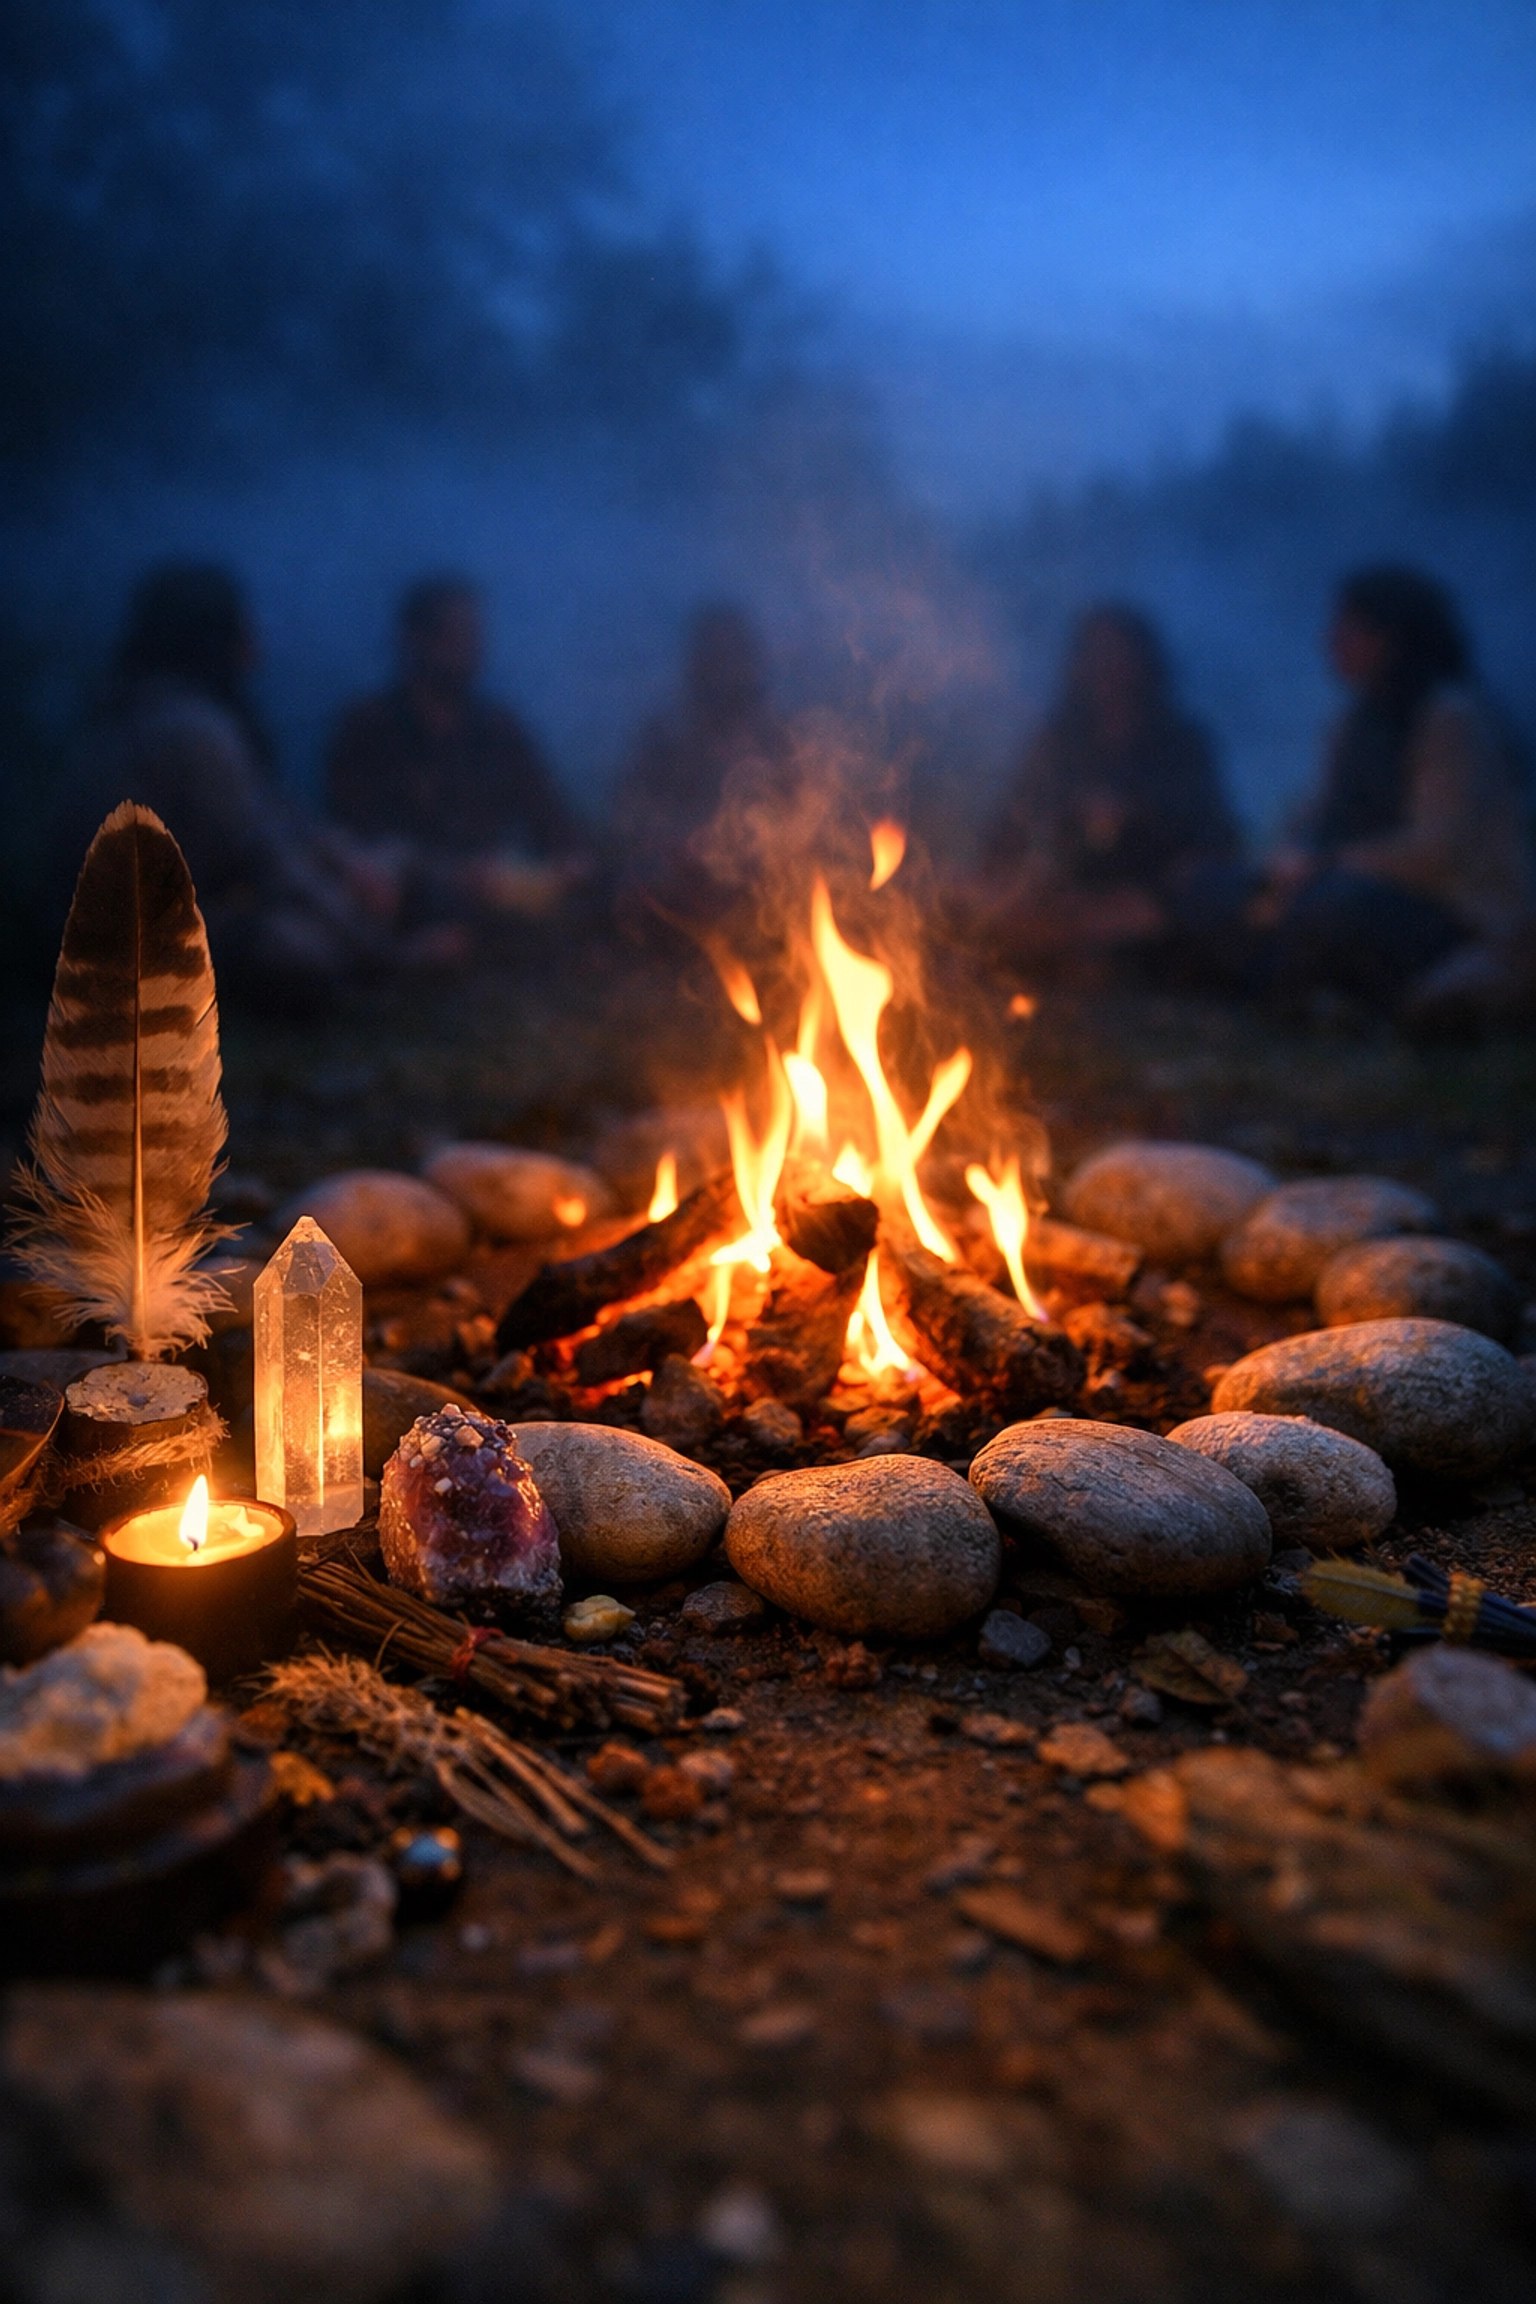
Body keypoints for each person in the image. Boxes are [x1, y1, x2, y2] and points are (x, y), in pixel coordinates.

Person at [53, 564, 423, 1014]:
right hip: (146, 942)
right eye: (243, 625)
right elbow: (269, 858)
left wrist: (348, 861)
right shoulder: (190, 728)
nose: (257, 640)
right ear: (211, 635)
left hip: (156, 920)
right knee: (303, 949)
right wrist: (388, 955)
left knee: (388, 861)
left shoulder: (132, 710)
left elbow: (277, 815)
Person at [1256, 566, 1534, 1021]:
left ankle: (1427, 995)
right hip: (1352, 886)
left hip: (1450, 913)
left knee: (1333, 906)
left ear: (1393, 636)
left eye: (1350, 627)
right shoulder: (1354, 723)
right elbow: (1314, 816)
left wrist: (1328, 863)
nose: (1332, 640)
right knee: (1225, 891)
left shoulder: (1450, 718)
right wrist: (1289, 859)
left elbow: (1437, 849)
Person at [978, 604, 1240, 971]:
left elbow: (1214, 834)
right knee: (991, 907)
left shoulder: (1180, 742)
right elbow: (1013, 824)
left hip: (1150, 893)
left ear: (1144, 662)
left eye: (1119, 654)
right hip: (1066, 890)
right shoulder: (1059, 740)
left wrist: (1137, 813)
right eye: (1097, 654)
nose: (1109, 668)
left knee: (1190, 902)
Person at [327, 577, 584, 921]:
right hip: (400, 909)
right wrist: (446, 875)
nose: (472, 650)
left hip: (493, 909)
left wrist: (571, 863)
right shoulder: (368, 729)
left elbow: (553, 821)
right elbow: (353, 838)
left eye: (476, 636)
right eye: (458, 635)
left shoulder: (499, 730)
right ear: (415, 639)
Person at [608, 604, 795, 930]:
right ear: (696, 664)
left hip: (766, 893)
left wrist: (765, 849)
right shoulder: (665, 739)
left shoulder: (780, 739)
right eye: (715, 657)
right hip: (680, 892)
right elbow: (630, 819)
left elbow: (805, 819)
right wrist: (683, 845)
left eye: (734, 656)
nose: (726, 671)